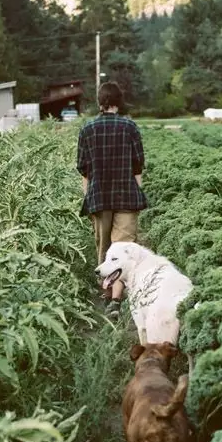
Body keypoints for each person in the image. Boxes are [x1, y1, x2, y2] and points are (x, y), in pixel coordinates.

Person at [77, 81, 147, 319]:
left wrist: (87, 196)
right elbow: (138, 165)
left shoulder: (88, 129)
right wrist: (139, 191)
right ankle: (116, 300)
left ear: (100, 102)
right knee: (124, 248)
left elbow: (83, 168)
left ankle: (106, 293)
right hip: (126, 195)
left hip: (99, 195)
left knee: (104, 247)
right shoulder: (130, 127)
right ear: (119, 102)